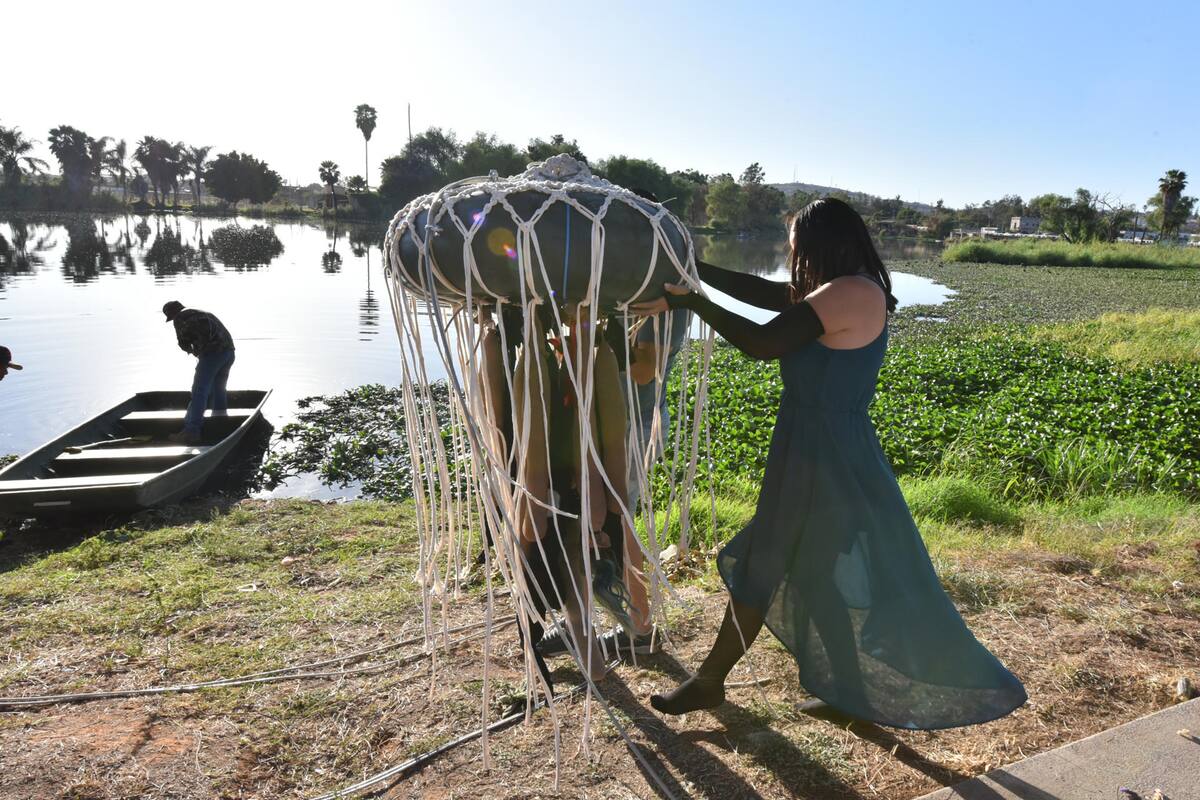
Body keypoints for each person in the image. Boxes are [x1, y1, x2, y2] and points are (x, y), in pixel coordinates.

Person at [633, 198, 1026, 730]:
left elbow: (763, 342)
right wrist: (693, 274)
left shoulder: (852, 293)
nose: (792, 254)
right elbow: (773, 296)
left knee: (763, 565)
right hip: (815, 446)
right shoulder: (846, 288)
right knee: (814, 575)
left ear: (820, 243)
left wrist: (691, 304)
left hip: (825, 457)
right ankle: (845, 694)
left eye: (796, 244)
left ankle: (709, 683)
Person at [162, 300, 235, 445]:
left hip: (212, 355)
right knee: (218, 389)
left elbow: (183, 342)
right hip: (229, 353)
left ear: (172, 314)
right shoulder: (203, 313)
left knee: (199, 392)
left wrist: (193, 351)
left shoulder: (180, 318)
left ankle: (191, 432)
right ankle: (221, 425)